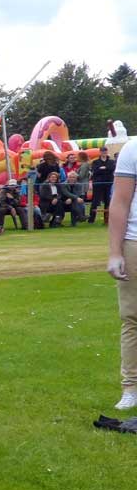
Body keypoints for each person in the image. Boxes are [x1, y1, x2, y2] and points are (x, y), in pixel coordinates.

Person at [106, 137, 137, 410]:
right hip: (135, 242)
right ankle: (131, 388)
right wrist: (115, 252)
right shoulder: (133, 148)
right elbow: (120, 202)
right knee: (132, 318)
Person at [92, 148, 115, 223]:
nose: (104, 152)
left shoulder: (111, 161)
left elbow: (111, 169)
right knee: (95, 201)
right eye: (102, 151)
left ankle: (107, 219)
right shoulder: (95, 162)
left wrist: (103, 168)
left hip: (108, 183)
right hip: (98, 184)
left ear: (107, 152)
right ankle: (91, 219)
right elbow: (95, 171)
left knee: (108, 201)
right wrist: (105, 169)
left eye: (105, 151)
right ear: (100, 152)